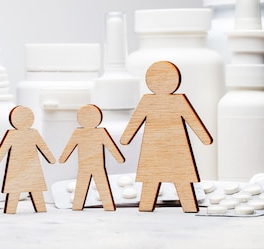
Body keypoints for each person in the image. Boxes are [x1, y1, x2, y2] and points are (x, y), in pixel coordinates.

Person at [120, 61, 213, 212]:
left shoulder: (174, 100)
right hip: (160, 149)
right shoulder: (150, 101)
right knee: (163, 178)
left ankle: (186, 206)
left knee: (176, 178)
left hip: (168, 148)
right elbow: (135, 122)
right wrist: (204, 137)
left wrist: (125, 138)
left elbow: (192, 120)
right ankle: (152, 206)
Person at [59, 104, 125, 211]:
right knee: (86, 184)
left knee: (98, 184)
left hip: (95, 165)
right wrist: (119, 158)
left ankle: (105, 206)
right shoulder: (80, 133)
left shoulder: (98, 132)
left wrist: (63, 158)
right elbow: (70, 146)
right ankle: (83, 206)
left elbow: (110, 145)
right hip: (87, 165)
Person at [0, 106, 56, 214]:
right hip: (21, 167)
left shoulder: (32, 133)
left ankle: (37, 208)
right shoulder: (15, 134)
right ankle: (12, 210)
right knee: (21, 189)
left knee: (30, 188)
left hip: (28, 167)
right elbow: (4, 148)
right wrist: (51, 159)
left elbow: (43, 147)